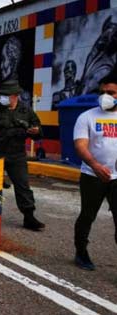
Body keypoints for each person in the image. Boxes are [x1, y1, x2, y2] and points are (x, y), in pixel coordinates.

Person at [0, 80, 46, 231]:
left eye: (6, 95)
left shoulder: (26, 111)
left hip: (16, 153)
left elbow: (38, 132)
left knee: (23, 185)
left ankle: (29, 216)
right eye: (2, 95)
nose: (3, 98)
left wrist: (36, 131)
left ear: (15, 96)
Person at [72, 72, 117, 271]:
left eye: (111, 92)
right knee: (87, 216)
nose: (105, 96)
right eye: (102, 92)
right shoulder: (87, 117)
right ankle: (81, 252)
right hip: (92, 176)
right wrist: (95, 165)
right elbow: (81, 145)